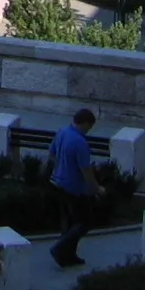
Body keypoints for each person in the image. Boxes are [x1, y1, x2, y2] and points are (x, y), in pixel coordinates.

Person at [48, 108, 101, 268]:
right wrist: (96, 189)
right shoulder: (80, 142)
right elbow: (86, 171)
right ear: (85, 123)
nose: (89, 130)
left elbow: (52, 154)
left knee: (69, 222)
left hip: (57, 183)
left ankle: (68, 256)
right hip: (74, 189)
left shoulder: (62, 132)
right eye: (89, 127)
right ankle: (60, 248)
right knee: (85, 222)